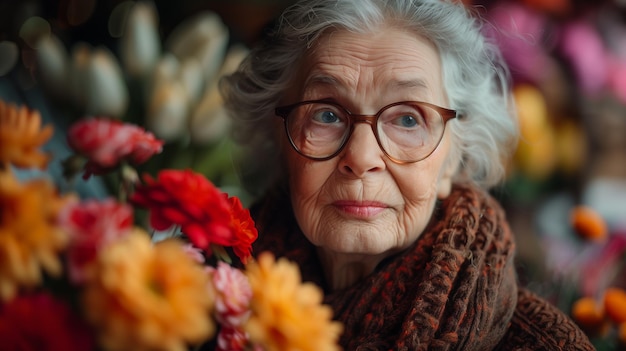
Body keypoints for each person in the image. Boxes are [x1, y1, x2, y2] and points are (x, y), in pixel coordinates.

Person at [220, 0, 595, 349]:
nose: (362, 157)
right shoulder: (210, 296)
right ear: (279, 140)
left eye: (407, 119)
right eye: (326, 114)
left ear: (453, 158)